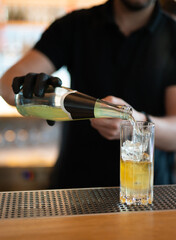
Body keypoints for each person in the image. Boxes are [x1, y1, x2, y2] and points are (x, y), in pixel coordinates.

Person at [1, 0, 176, 189]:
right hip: (76, 189)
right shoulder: (74, 26)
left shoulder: (172, 36)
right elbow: (7, 87)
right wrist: (31, 86)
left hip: (146, 192)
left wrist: (138, 122)